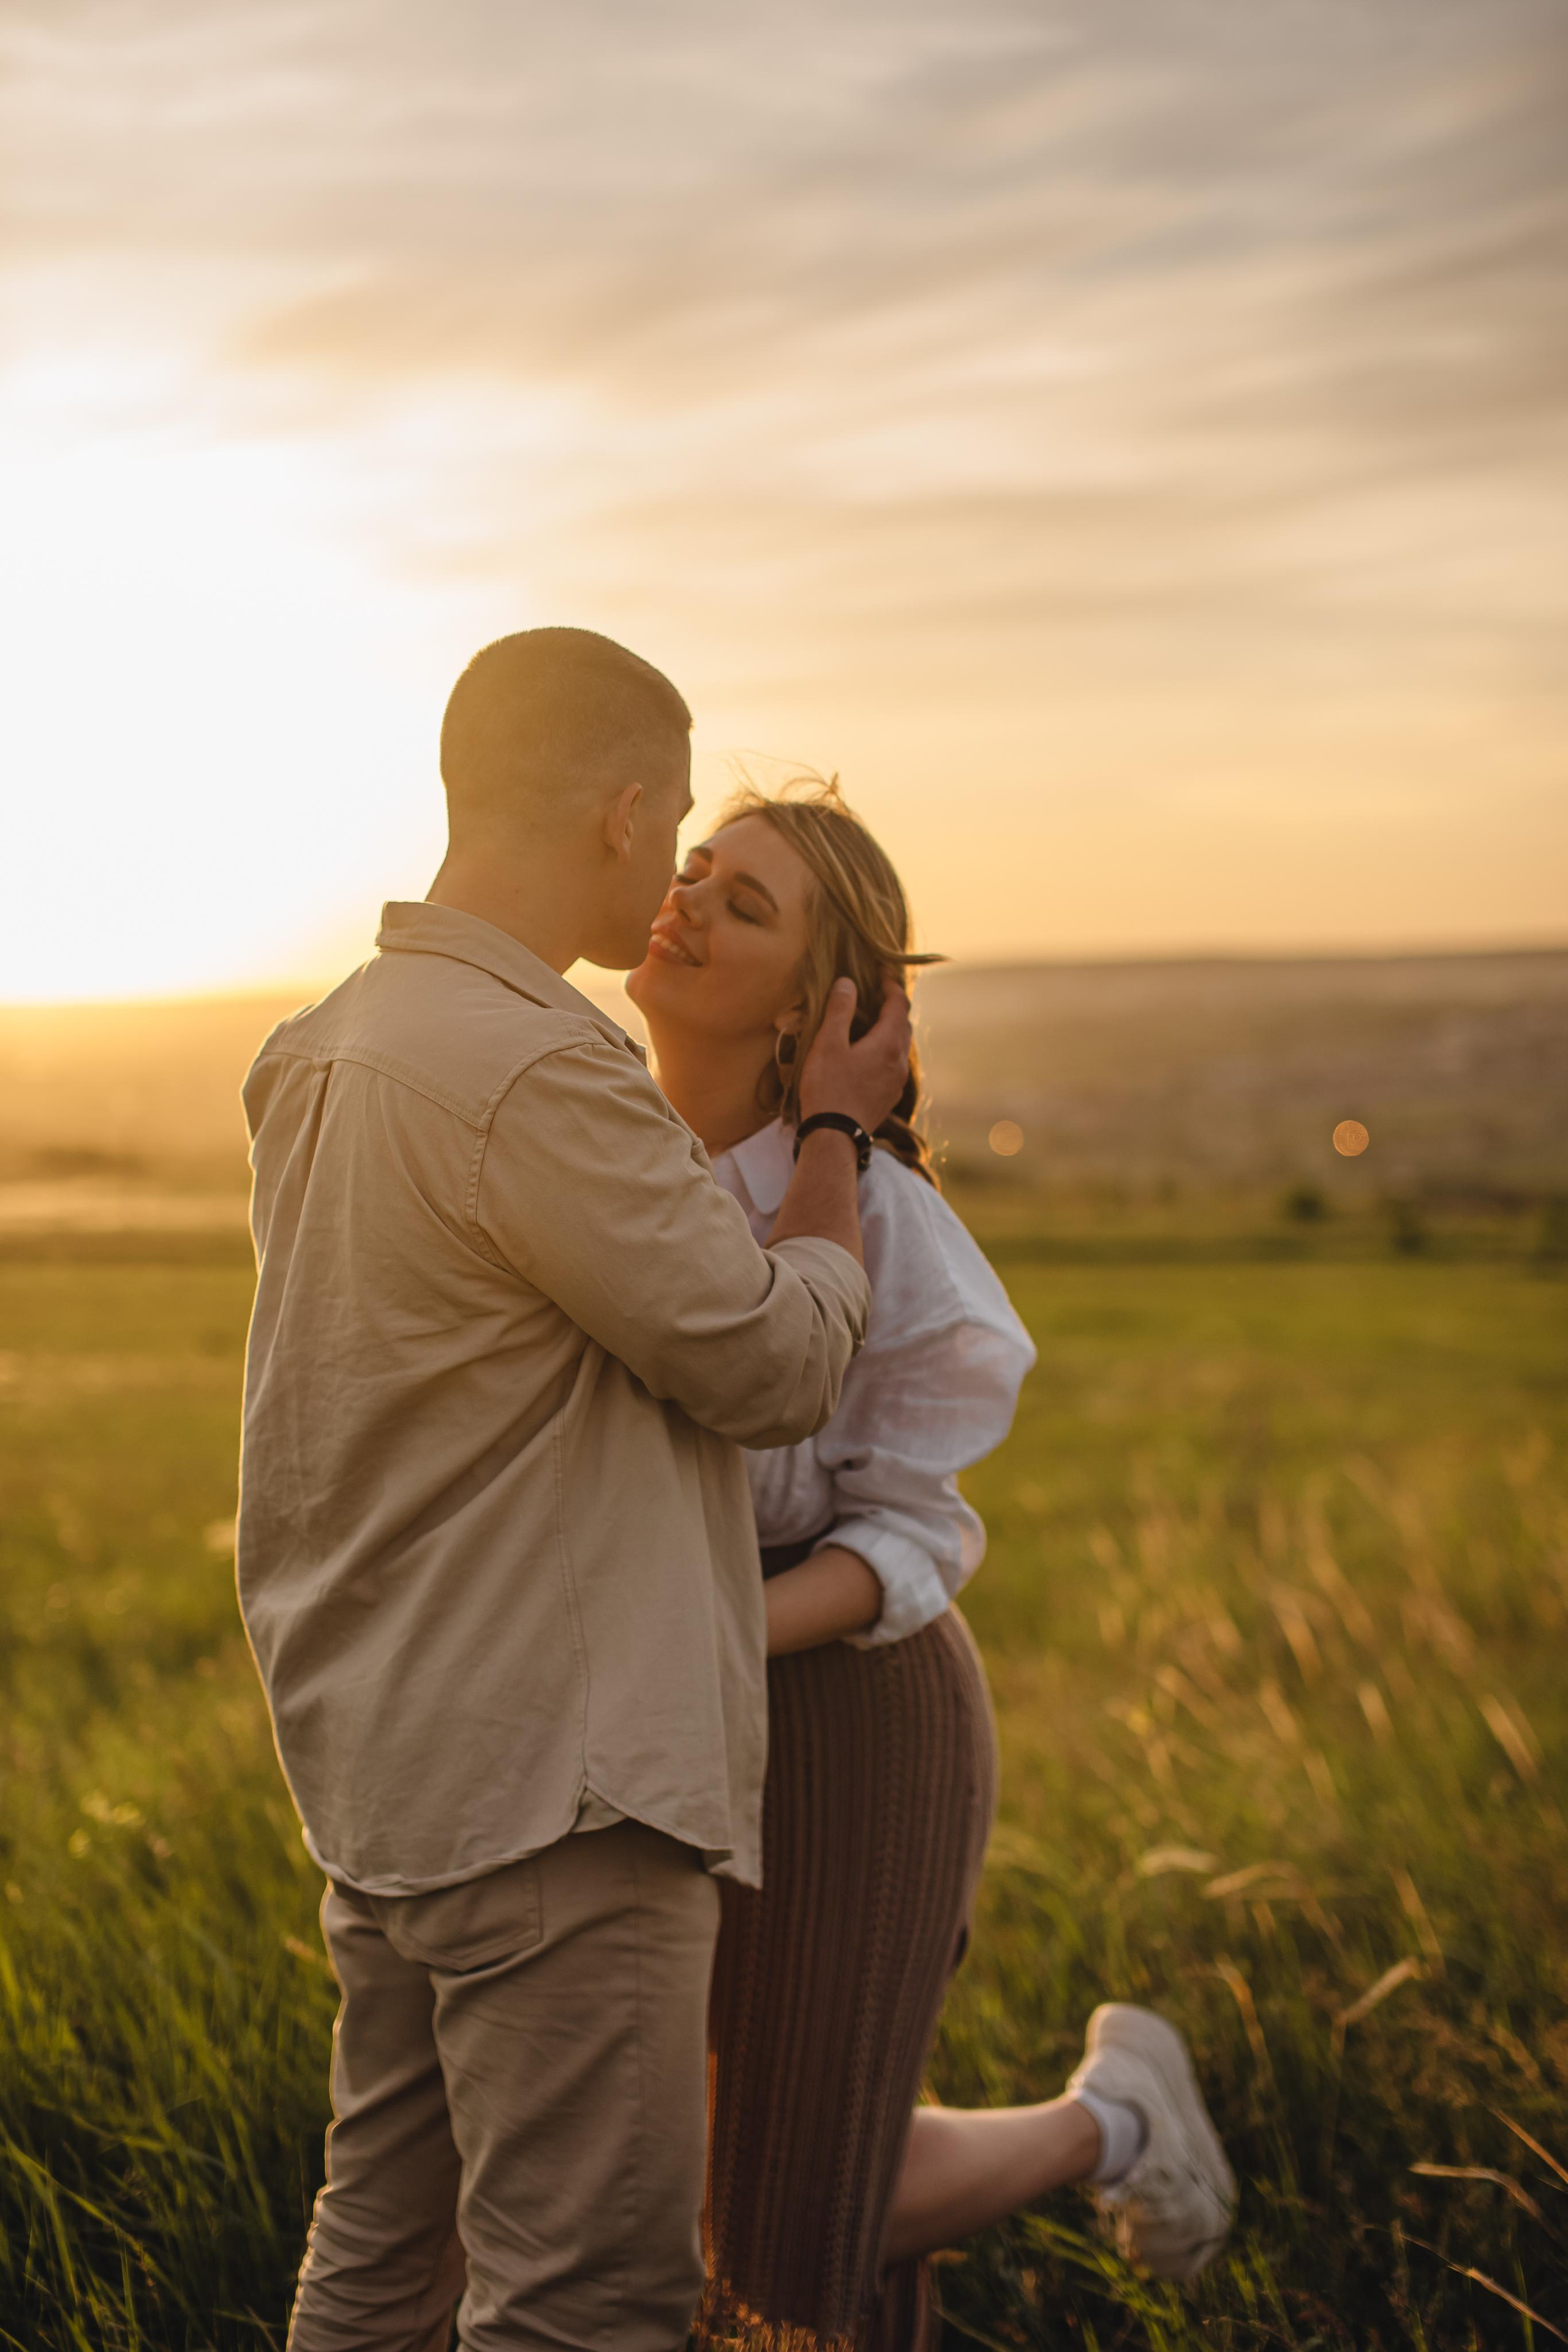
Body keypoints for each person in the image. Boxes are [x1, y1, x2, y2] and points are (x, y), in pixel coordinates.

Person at [236, 630, 914, 2352]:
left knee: (379, 2265)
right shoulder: (540, 1067)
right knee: (582, 2306)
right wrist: (832, 1136)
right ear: (620, 814)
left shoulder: (322, 1046)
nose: (671, 866)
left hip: (389, 1770)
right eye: (671, 826)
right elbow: (772, 1362)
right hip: (555, 1787)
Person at [625, 776, 1235, 2345]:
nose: (685, 901)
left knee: (780, 2228)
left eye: (743, 903)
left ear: (815, 1012)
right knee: (686, 2173)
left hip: (846, 1716)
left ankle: (1109, 2121)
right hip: (655, 1709)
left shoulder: (881, 1219)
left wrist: (710, 1633)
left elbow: (910, 1531)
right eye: (693, 868)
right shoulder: (602, 1161)